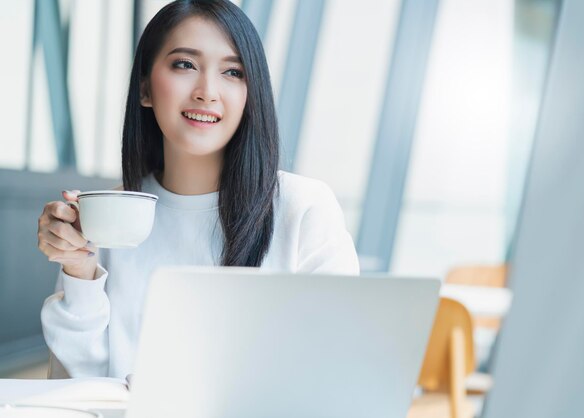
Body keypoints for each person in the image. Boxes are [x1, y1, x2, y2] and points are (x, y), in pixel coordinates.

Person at [37, 0, 359, 378]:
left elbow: (338, 370)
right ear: (144, 88)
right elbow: (74, 387)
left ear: (250, 94)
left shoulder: (302, 208)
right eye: (185, 64)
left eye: (233, 72)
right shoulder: (108, 215)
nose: (207, 91)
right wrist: (79, 270)